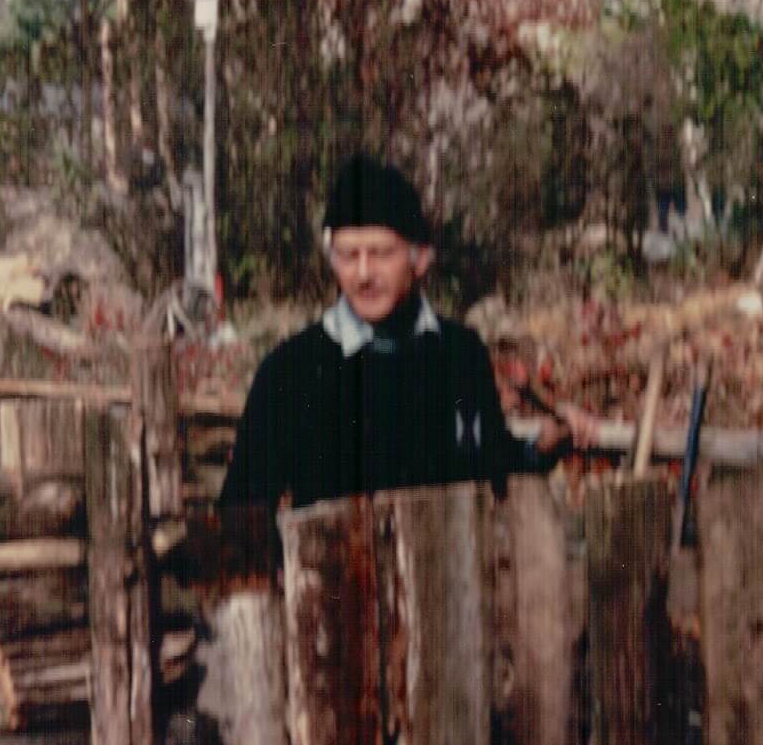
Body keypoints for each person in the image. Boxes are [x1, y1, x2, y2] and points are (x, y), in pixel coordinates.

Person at [219, 154, 584, 514]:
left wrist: (539, 449)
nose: (363, 274)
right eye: (348, 256)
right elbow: (240, 521)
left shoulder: (460, 353)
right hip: (334, 570)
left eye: (380, 253)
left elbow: (489, 467)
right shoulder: (291, 371)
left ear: (420, 258)